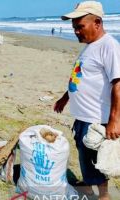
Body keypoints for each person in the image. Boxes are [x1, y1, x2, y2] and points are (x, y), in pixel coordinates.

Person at [54, 1, 120, 200]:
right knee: (83, 151)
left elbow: (118, 83)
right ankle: (88, 185)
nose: (76, 31)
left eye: (80, 26)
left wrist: (114, 120)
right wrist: (64, 98)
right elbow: (79, 77)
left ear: (97, 23)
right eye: (74, 27)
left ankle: (104, 195)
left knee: (93, 157)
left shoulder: (109, 46)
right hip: (82, 115)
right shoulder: (90, 46)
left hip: (95, 117)